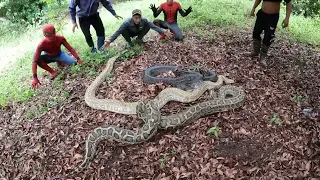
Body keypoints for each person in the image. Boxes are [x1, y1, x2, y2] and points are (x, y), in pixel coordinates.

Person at [31, 24, 83, 90]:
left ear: (55, 31)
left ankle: (59, 62)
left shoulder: (60, 38)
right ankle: (53, 72)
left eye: (53, 33)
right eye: (48, 34)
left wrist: (78, 59)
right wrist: (35, 77)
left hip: (59, 55)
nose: (52, 36)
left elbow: (70, 49)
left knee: (74, 63)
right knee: (37, 59)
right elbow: (34, 61)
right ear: (45, 35)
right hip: (48, 56)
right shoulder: (41, 44)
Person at [247, 0, 293, 66]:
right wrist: (253, 8)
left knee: (268, 37)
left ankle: (263, 57)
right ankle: (255, 52)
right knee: (256, 32)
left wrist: (287, 18)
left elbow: (289, 3)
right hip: (262, 14)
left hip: (273, 18)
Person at [103, 9, 174, 48]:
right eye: (135, 18)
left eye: (139, 18)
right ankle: (129, 42)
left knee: (148, 25)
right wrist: (110, 40)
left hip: (139, 31)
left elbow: (153, 26)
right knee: (122, 30)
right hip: (130, 33)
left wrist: (163, 31)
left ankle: (139, 39)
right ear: (132, 17)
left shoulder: (144, 20)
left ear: (141, 17)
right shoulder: (127, 22)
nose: (138, 20)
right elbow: (118, 32)